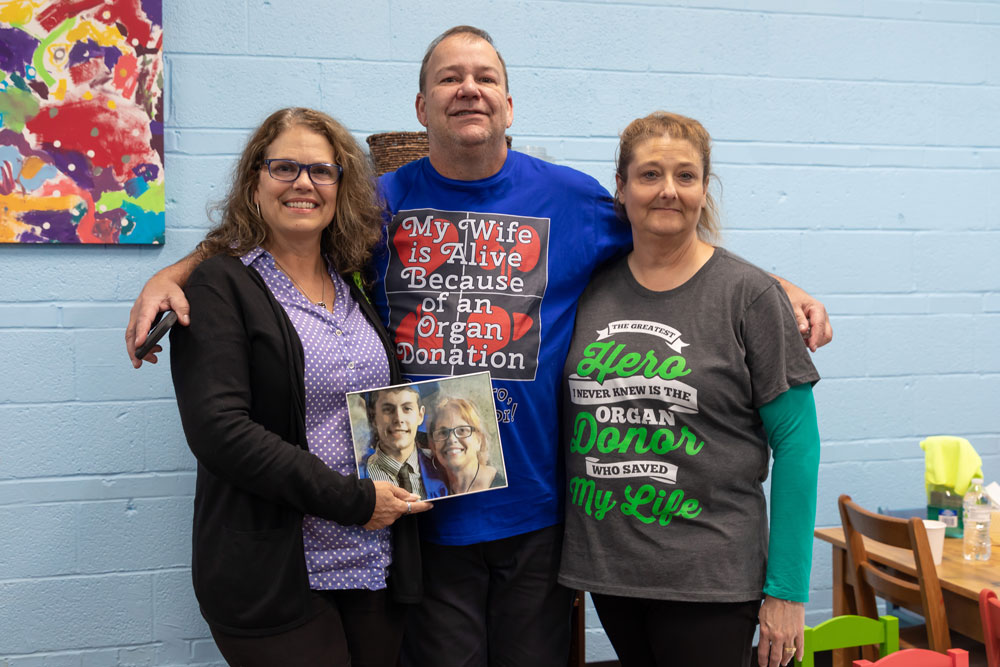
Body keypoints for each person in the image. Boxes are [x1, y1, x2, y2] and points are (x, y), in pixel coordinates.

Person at [125, 26, 832, 667]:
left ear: (508, 104)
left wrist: (776, 284)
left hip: (540, 513)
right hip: (422, 514)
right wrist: (176, 270)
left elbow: (672, 237)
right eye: (450, 77)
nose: (469, 88)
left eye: (485, 76)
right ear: (422, 104)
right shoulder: (378, 202)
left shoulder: (571, 197)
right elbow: (280, 236)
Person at [167, 107, 431, 667]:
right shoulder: (221, 285)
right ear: (254, 183)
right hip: (274, 573)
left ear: (341, 186)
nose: (303, 184)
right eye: (284, 168)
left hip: (370, 560)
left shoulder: (351, 279)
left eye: (322, 171)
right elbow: (220, 432)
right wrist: (354, 501)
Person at [558, 111, 821, 667]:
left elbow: (798, 446)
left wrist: (789, 591)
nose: (668, 191)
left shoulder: (748, 296)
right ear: (621, 189)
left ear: (705, 189)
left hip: (712, 574)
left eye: (686, 176)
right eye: (650, 175)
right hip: (610, 568)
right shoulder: (590, 287)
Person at [362, 386, 448, 500]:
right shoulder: (359, 476)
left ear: (420, 415)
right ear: (373, 418)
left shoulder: (442, 472)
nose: (398, 418)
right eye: (388, 409)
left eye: (407, 408)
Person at [426, 396, 506, 495]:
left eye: (462, 430)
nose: (451, 439)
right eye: (443, 432)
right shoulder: (431, 489)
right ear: (434, 445)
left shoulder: (503, 484)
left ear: (479, 440)